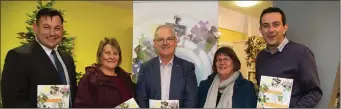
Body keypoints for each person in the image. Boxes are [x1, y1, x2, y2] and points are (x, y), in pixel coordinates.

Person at [1, 8, 77, 108]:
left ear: (62, 30)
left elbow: (73, 96)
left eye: (57, 28)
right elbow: (13, 102)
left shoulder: (67, 59)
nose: (52, 33)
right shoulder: (18, 56)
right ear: (35, 28)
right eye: (46, 27)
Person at [256, 7, 323, 108]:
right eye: (266, 26)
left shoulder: (302, 53)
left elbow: (314, 92)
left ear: (284, 28)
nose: (271, 30)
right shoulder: (260, 57)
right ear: (261, 30)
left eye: (276, 24)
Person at [135, 25, 198, 108]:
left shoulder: (187, 68)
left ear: (175, 41)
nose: (165, 43)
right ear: (155, 43)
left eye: (169, 39)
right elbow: (141, 99)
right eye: (160, 39)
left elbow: (191, 100)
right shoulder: (145, 68)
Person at [75, 37, 135, 108]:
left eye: (115, 53)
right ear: (100, 55)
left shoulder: (125, 78)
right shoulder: (90, 79)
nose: (112, 57)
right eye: (107, 53)